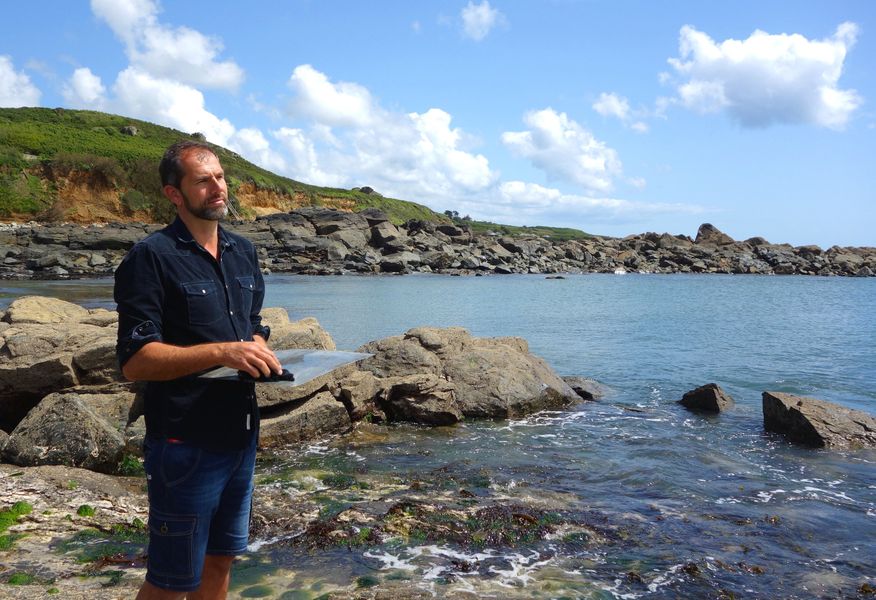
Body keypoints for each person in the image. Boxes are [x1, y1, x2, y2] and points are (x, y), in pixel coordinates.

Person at [114, 140, 281, 599]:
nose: (217, 188)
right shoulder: (151, 257)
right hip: (184, 444)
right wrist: (222, 352)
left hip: (240, 436)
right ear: (174, 194)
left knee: (221, 560)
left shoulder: (243, 252)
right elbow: (135, 360)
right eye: (203, 181)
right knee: (171, 581)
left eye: (221, 177)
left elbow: (253, 325)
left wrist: (257, 348)